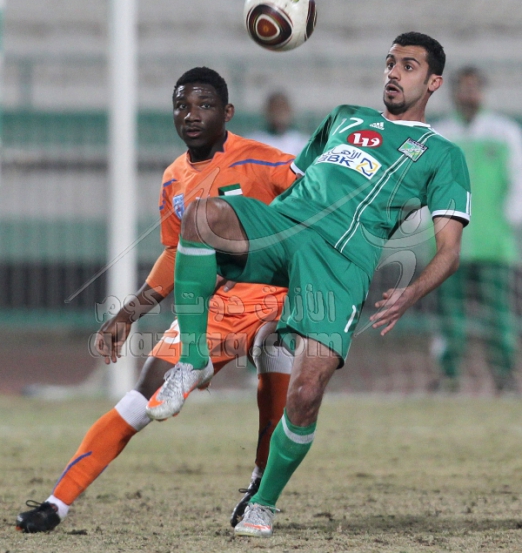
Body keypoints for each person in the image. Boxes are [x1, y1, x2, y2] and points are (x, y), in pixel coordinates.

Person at [145, 32, 472, 538]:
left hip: (340, 263)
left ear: (433, 83)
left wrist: (411, 291)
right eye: (389, 62)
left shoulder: (442, 154)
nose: (393, 72)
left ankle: (263, 503)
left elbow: (449, 250)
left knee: (305, 392)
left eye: (408, 66)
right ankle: (193, 360)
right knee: (202, 216)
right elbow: (293, 183)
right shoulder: (344, 117)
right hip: (285, 226)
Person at [15, 67, 297, 533]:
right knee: (141, 399)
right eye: (182, 106)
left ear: (227, 112)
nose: (192, 115)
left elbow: (313, 202)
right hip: (216, 308)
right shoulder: (173, 179)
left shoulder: (264, 161)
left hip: (279, 295)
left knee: (277, 356)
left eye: (204, 105)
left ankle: (259, 491)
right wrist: (127, 314)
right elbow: (173, 255)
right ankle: (55, 504)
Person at [431, 66, 522, 393]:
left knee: (499, 314)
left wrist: (511, 219)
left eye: (474, 88)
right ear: (453, 92)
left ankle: (504, 375)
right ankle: (449, 376)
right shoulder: (439, 134)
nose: (468, 94)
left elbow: (518, 181)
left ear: (483, 92)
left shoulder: (505, 132)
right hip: (448, 243)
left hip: (493, 242)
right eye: (463, 88)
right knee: (449, 316)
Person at [247, 91, 309, 156]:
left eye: (283, 109)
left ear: (290, 111)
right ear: (267, 112)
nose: (279, 113)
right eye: (275, 108)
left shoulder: (302, 144)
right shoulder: (254, 143)